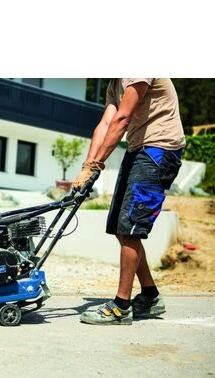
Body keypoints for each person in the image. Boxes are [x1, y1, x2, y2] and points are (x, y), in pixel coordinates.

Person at [73, 78, 185, 325]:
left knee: (130, 228)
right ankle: (150, 295)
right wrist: (87, 167)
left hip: (159, 150)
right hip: (137, 149)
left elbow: (122, 119)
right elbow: (105, 124)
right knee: (119, 226)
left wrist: (96, 164)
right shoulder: (115, 82)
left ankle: (121, 307)